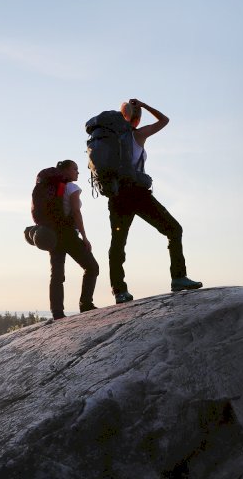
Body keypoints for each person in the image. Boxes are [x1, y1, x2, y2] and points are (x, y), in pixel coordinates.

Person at [108, 99, 202, 303]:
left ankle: (119, 290)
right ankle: (178, 277)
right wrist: (145, 105)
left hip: (116, 196)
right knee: (173, 230)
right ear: (137, 118)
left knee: (118, 242)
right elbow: (164, 120)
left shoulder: (110, 138)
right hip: (137, 193)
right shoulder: (138, 134)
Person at [48, 159, 99, 320]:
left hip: (53, 235)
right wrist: (84, 237)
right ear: (65, 172)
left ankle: (57, 313)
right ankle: (85, 304)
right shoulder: (72, 188)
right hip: (69, 235)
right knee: (92, 267)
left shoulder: (52, 189)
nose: (78, 172)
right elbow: (76, 212)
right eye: (75, 169)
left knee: (57, 274)